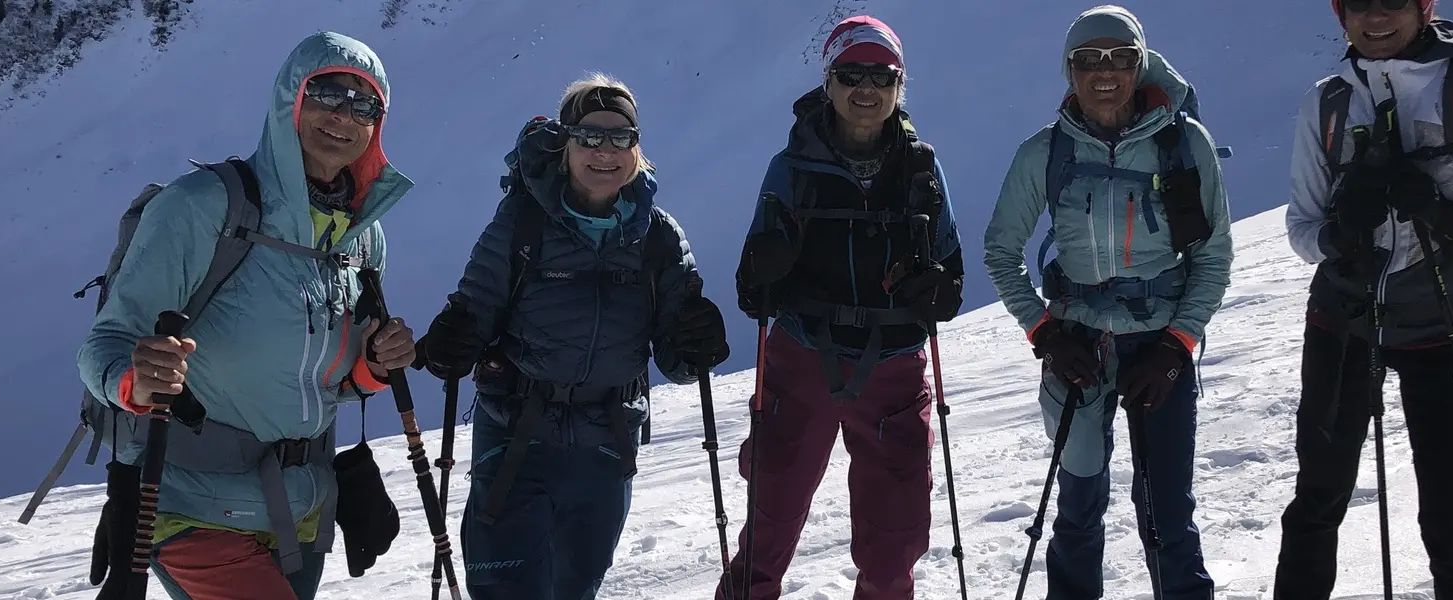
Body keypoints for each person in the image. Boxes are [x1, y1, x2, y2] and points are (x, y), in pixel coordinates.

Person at [74, 31, 418, 600]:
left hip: (301, 509)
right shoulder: (201, 207)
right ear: (291, 99)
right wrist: (136, 380)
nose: (344, 114)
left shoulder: (362, 237)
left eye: (364, 104)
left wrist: (374, 368)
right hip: (190, 503)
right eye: (326, 93)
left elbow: (325, 383)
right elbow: (105, 343)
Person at [415, 73, 729, 600]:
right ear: (566, 144)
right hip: (516, 439)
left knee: (575, 589)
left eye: (620, 137)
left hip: (605, 444)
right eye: (589, 136)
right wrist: (453, 341)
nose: (605, 151)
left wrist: (698, 345)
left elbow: (677, 361)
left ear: (637, 148)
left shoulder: (659, 237)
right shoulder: (522, 224)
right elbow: (474, 311)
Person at [1273, 0, 1453, 597]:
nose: (1376, 17)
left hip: (1451, 320)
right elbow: (1302, 230)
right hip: (1345, 317)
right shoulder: (1327, 103)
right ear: (1340, 13)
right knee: (1317, 498)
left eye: (1393, 1)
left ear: (1424, 7)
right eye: (1359, 3)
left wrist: (1449, 218)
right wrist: (1341, 235)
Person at [982, 5, 1233, 599]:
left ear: (1139, 65)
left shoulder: (1183, 144)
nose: (1104, 71)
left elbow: (1213, 257)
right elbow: (1001, 251)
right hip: (1077, 345)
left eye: (1120, 57)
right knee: (1078, 505)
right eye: (1088, 59)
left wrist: (1175, 347)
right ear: (1069, 69)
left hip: (1160, 344)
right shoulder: (1044, 153)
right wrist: (1045, 334)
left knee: (1167, 512)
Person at [720, 15, 965, 600]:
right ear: (828, 81)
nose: (866, 88)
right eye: (852, 74)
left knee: (895, 538)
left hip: (892, 366)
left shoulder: (921, 169)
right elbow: (752, 289)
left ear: (900, 85)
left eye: (882, 75)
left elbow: (950, 269)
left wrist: (938, 290)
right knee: (770, 520)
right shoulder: (790, 168)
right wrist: (763, 274)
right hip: (802, 359)